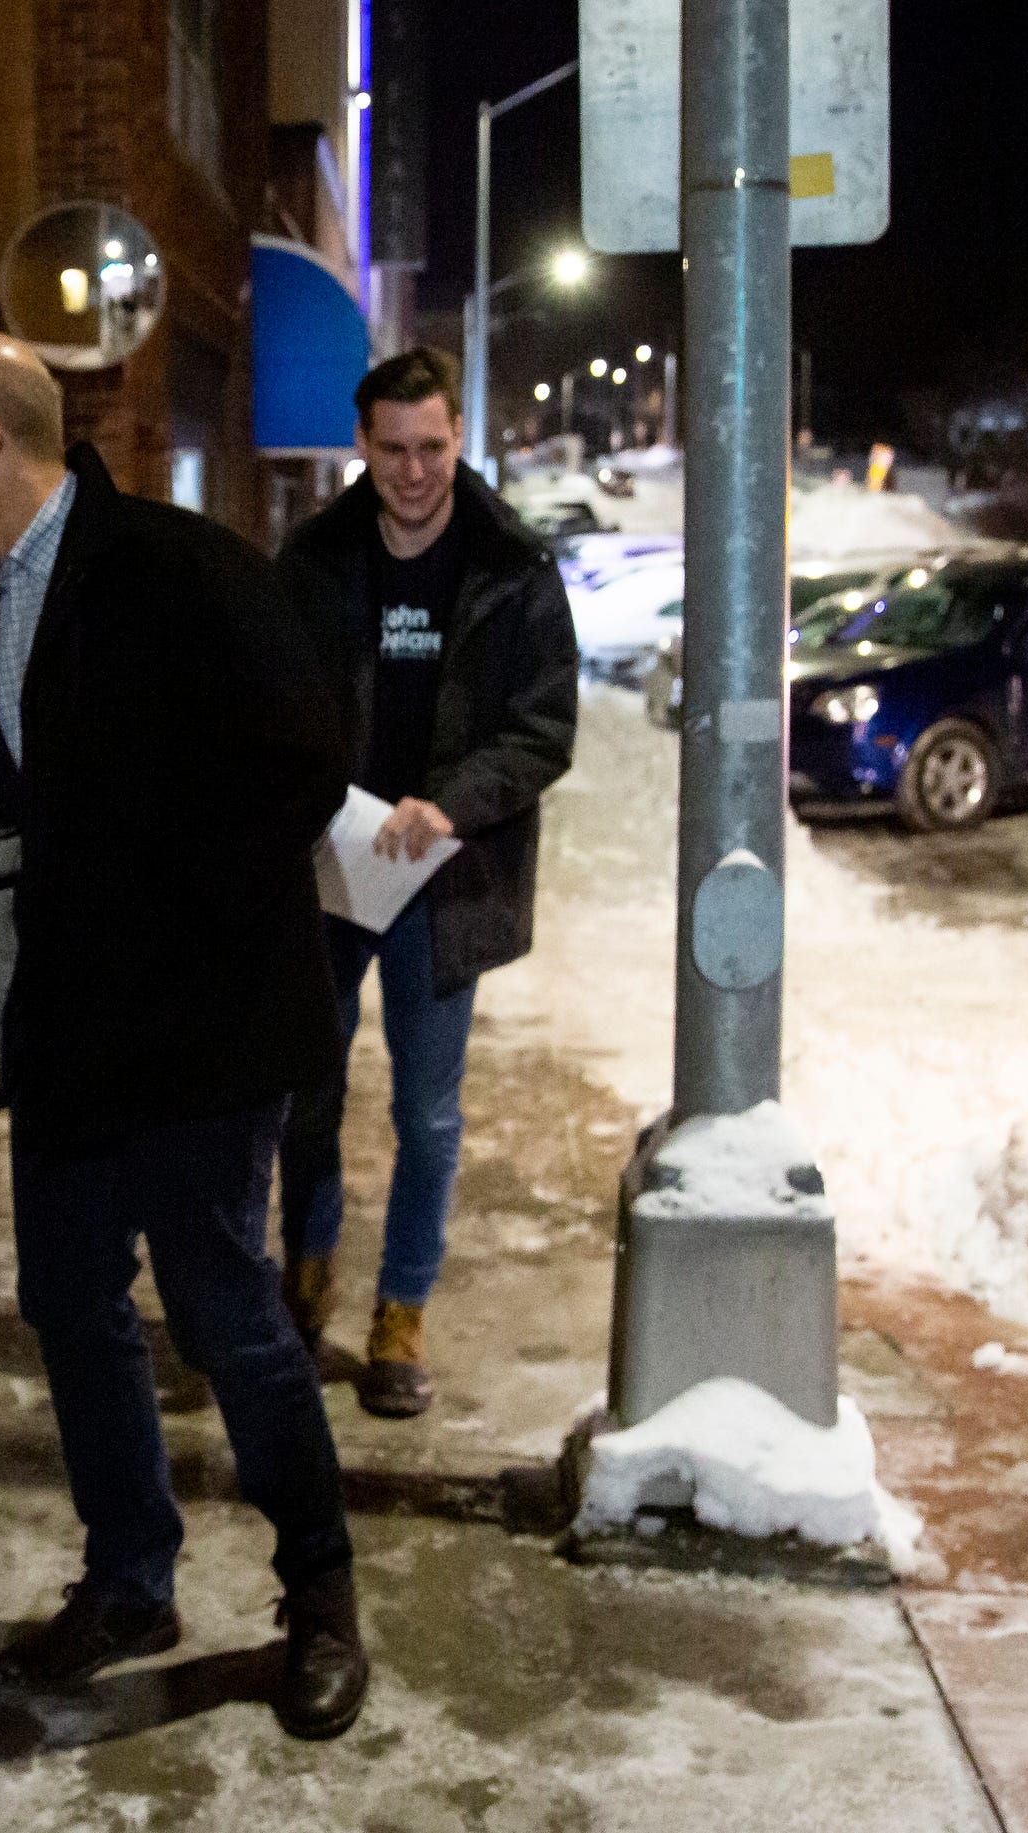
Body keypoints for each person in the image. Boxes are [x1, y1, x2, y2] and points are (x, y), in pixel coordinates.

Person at [0, 333, 370, 1739]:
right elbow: (28, 815)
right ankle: (130, 1577)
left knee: (227, 1322)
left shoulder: (177, 566)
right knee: (71, 1306)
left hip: (200, 1039)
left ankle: (322, 1595)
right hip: (72, 1041)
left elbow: (300, 764)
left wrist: (152, 922)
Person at [275, 348, 579, 1417]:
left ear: (461, 438)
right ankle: (299, 1291)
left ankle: (400, 1318)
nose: (413, 472)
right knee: (303, 1097)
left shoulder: (513, 569)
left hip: (445, 871)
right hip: (328, 864)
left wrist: (448, 802)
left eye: (433, 448)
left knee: (427, 1115)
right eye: (392, 449)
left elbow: (544, 729)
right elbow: (274, 705)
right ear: (361, 445)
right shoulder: (312, 560)